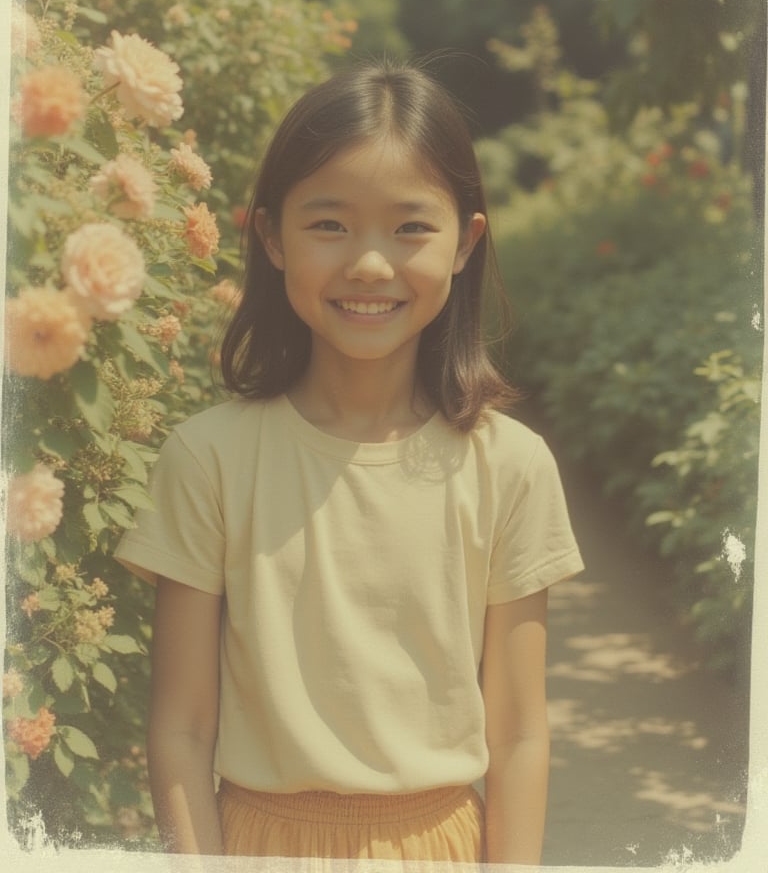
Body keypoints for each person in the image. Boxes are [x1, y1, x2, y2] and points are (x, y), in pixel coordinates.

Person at [115, 59, 584, 864]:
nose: (370, 264)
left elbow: (517, 735)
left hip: (442, 846)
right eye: (329, 224)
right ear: (271, 235)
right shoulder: (211, 459)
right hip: (257, 843)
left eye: (410, 227)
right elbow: (184, 729)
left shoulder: (511, 467)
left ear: (467, 241)